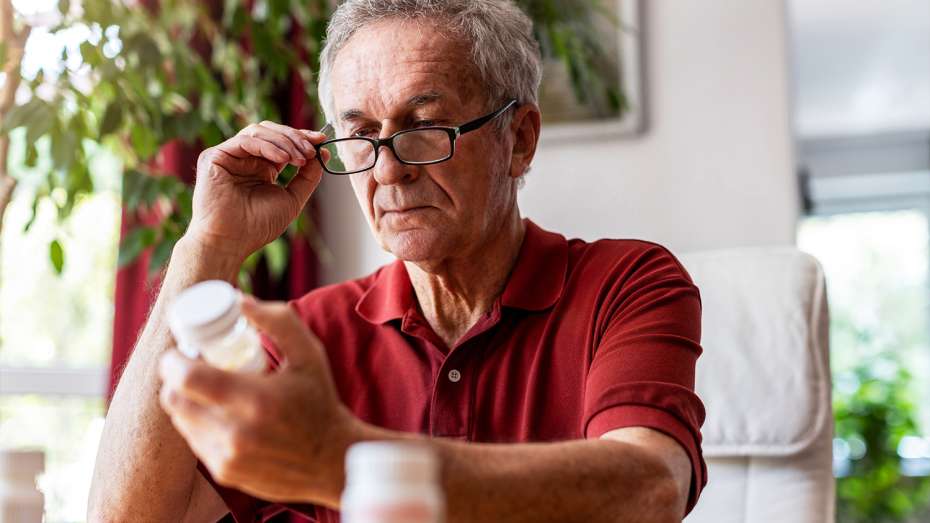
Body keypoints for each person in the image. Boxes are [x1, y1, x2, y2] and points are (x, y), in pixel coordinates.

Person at [88, 1, 706, 521]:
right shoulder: (303, 338)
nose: (388, 169)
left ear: (519, 140)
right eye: (360, 135)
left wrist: (344, 460)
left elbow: (650, 486)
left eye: (425, 127)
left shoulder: (626, 284)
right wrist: (208, 246)